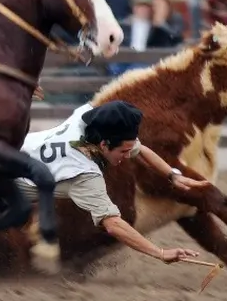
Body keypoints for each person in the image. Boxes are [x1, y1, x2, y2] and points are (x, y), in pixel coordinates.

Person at [14, 101, 203, 264]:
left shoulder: (86, 119)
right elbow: (113, 224)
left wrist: (173, 175)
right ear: (103, 145)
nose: (128, 155)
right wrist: (160, 253)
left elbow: (140, 150)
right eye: (123, 151)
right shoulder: (84, 175)